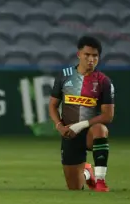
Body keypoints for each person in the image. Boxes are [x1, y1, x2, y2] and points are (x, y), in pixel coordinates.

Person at [48, 35, 114, 192]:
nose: (91, 59)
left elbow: (108, 115)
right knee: (75, 188)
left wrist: (80, 125)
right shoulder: (64, 75)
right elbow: (52, 105)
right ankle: (87, 173)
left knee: (101, 129)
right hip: (69, 134)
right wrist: (59, 126)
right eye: (87, 55)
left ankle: (100, 181)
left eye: (95, 56)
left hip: (89, 132)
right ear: (79, 55)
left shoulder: (104, 81)